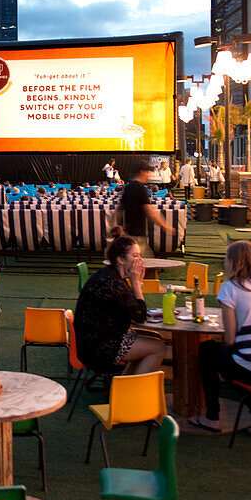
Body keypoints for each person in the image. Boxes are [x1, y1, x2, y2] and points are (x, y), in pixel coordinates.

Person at [190, 242, 251, 433]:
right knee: (234, 358)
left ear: (233, 262)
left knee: (208, 351)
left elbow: (229, 339)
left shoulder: (231, 288)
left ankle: (212, 417)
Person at [74, 233, 165, 375]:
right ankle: (134, 392)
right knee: (158, 348)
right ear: (121, 259)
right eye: (135, 256)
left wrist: (136, 284)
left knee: (153, 340)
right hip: (99, 347)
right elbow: (139, 315)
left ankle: (124, 389)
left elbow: (132, 309)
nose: (140, 260)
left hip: (95, 342)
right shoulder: (113, 282)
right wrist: (135, 284)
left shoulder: (111, 275)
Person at [118, 161, 175, 256]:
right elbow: (149, 211)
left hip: (128, 233)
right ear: (142, 171)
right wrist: (165, 226)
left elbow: (119, 210)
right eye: (147, 171)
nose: (148, 174)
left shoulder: (128, 187)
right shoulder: (141, 189)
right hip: (138, 236)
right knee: (147, 265)